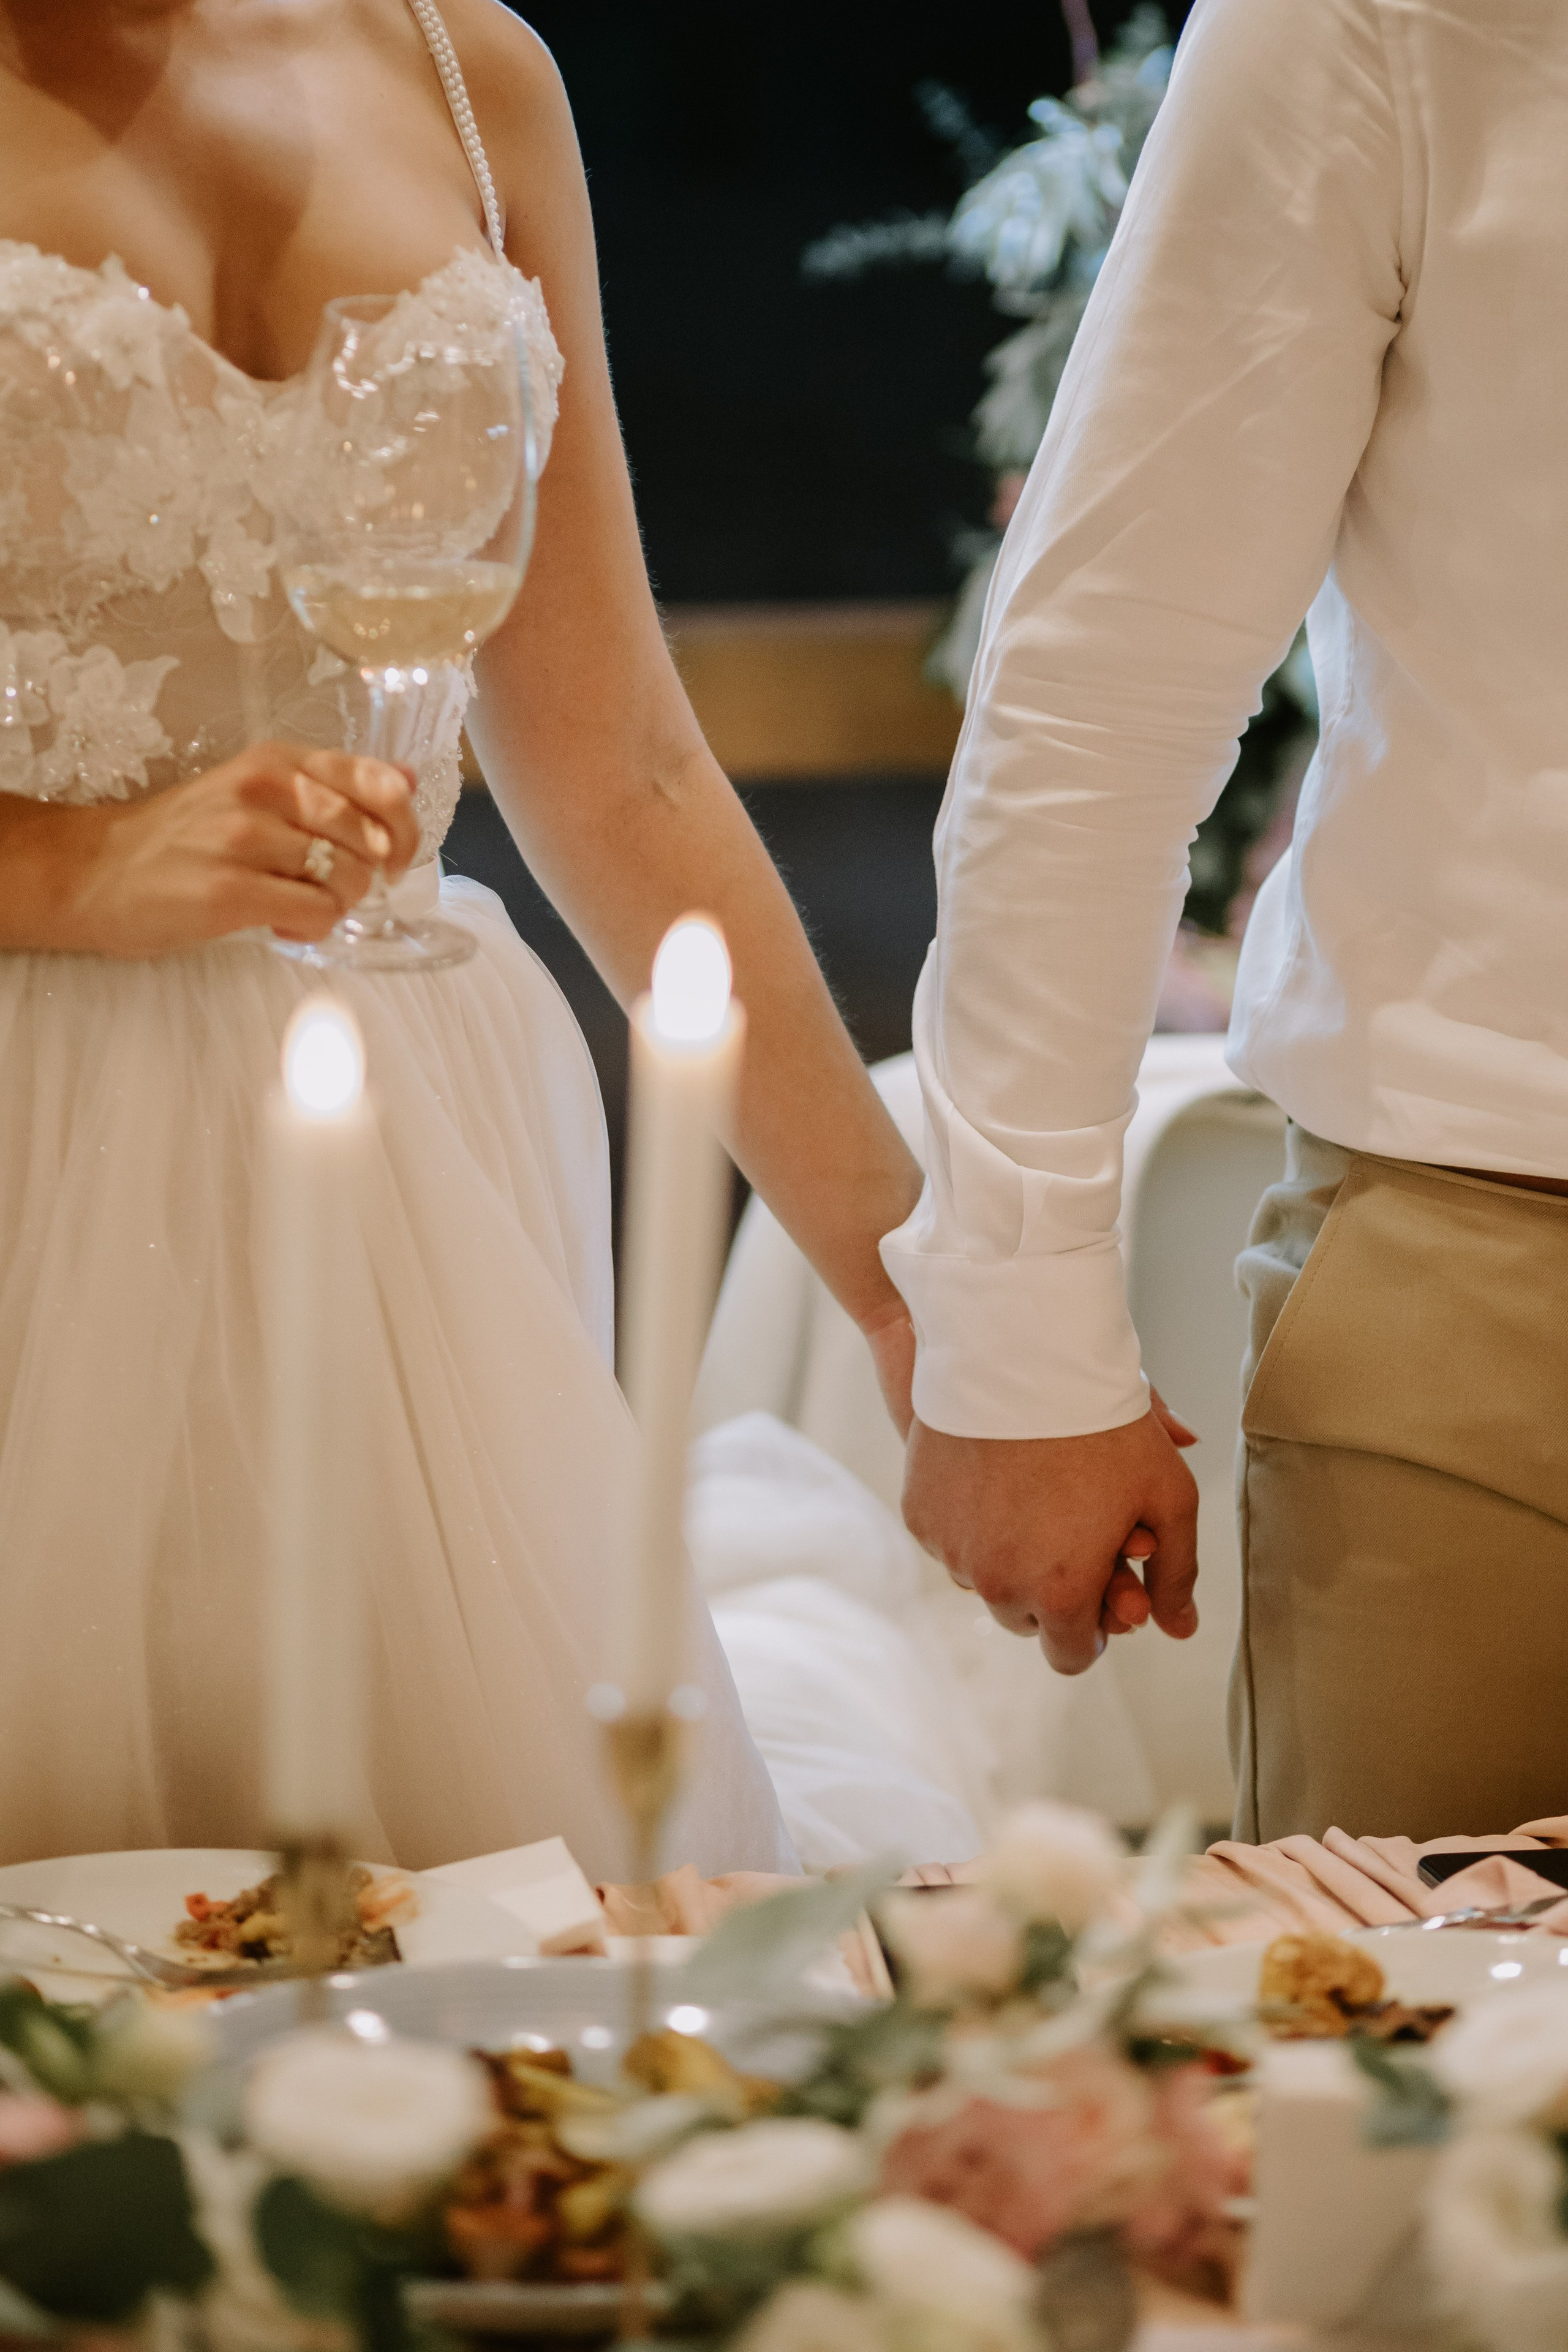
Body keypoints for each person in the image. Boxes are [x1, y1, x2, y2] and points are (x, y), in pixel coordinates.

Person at [0, 0, 922, 1875]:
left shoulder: (461, 72)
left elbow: (625, 765)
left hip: (418, 1149)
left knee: (498, 1982)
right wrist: (57, 867)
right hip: (30, 1157)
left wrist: (925, 1299)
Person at [881, 0, 1568, 1844]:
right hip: (1502, 1273)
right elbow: (1102, 693)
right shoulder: (1381, 25)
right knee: (1423, 2101)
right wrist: (1018, 1341)